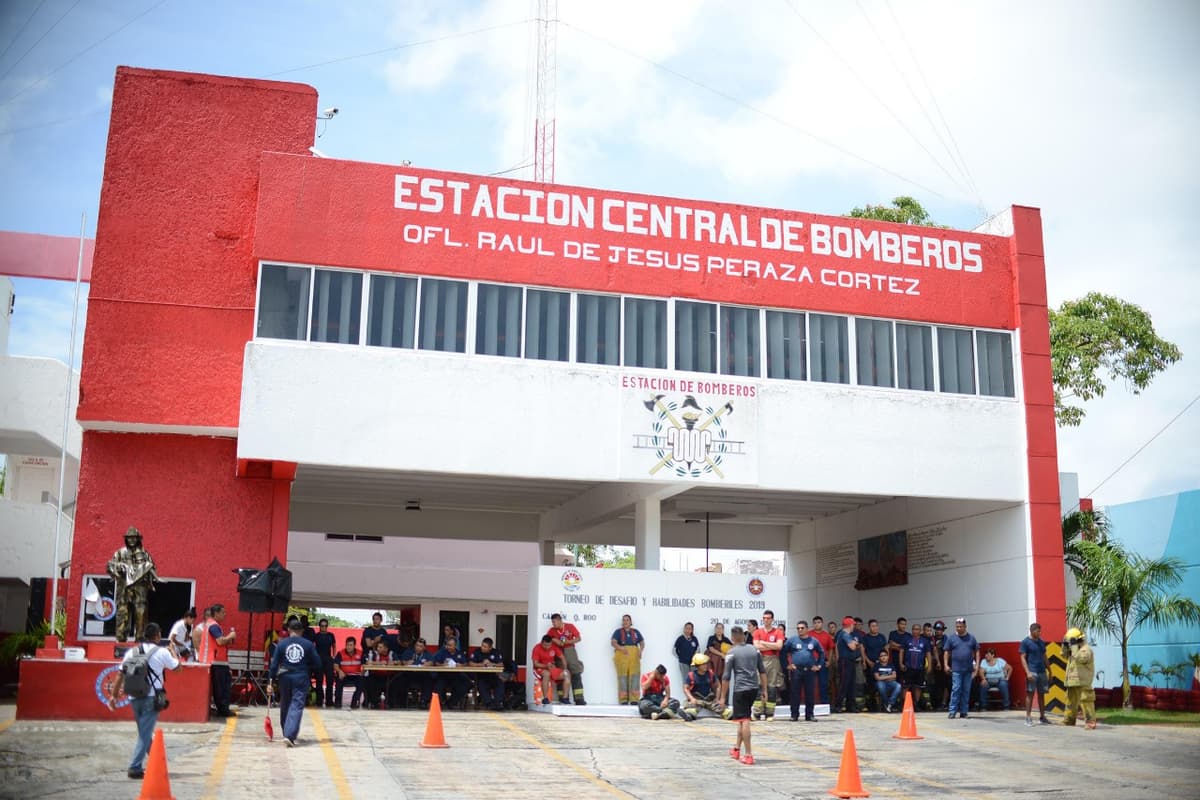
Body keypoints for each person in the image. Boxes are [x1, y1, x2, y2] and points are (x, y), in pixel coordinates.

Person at [106, 622, 179, 779]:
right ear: (157, 636)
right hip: (151, 698)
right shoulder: (162, 652)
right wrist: (172, 651)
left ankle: (155, 763)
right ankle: (135, 767)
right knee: (145, 734)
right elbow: (178, 668)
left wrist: (113, 696)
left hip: (134, 697)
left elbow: (120, 674)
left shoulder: (131, 652)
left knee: (144, 731)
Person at [267, 618, 322, 746]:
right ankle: (289, 734)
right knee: (296, 704)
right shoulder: (308, 644)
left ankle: (286, 731)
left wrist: (270, 682)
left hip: (284, 676)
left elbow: (274, 665)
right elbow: (318, 664)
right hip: (301, 676)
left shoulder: (281, 644)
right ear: (302, 631)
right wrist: (307, 668)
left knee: (285, 703)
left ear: (289, 630)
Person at [719, 625, 767, 766]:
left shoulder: (731, 653)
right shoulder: (754, 649)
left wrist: (722, 697)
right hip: (753, 688)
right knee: (742, 718)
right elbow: (762, 671)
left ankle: (748, 754)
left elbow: (726, 676)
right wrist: (764, 690)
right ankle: (736, 749)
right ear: (744, 637)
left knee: (745, 720)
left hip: (740, 690)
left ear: (733, 638)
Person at [106, 526, 159, 642]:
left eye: (134, 538)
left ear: (138, 539)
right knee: (122, 612)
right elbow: (110, 566)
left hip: (140, 589)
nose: (131, 540)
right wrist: (118, 567)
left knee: (141, 612)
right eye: (129, 538)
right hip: (124, 588)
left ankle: (140, 638)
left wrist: (149, 574)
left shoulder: (145, 554)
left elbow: (152, 567)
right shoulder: (120, 553)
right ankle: (120, 638)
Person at [196, 604, 237, 717]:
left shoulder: (210, 624)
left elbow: (218, 642)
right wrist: (231, 635)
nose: (225, 614)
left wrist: (228, 640)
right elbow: (220, 641)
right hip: (216, 661)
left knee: (219, 687)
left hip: (212, 660)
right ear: (216, 613)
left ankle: (221, 708)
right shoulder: (214, 626)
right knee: (222, 687)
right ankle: (223, 710)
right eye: (223, 612)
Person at [784, 621, 823, 721]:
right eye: (798, 628)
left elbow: (821, 653)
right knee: (795, 693)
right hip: (796, 670)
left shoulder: (813, 641)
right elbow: (783, 652)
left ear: (806, 629)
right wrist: (787, 665)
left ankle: (809, 715)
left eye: (802, 628)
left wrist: (818, 665)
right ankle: (794, 715)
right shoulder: (792, 640)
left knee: (810, 693)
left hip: (809, 671)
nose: (800, 630)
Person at [547, 613, 587, 705]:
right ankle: (563, 698)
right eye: (552, 622)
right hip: (558, 652)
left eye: (554, 622)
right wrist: (554, 640)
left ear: (560, 620)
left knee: (576, 672)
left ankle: (579, 698)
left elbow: (578, 638)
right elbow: (547, 639)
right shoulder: (551, 630)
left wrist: (569, 641)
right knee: (561, 674)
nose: (553, 624)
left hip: (570, 650)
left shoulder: (570, 626)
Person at [751, 610, 785, 720]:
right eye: (764, 618)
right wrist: (772, 645)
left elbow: (779, 646)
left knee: (771, 687)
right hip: (760, 659)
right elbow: (756, 646)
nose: (766, 620)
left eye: (768, 618)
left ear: (772, 619)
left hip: (773, 660)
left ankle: (769, 713)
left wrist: (764, 643)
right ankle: (757, 712)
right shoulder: (758, 632)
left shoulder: (778, 632)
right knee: (759, 686)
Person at [943, 617, 979, 719]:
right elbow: (946, 652)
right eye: (957, 626)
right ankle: (952, 711)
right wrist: (946, 665)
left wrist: (976, 664)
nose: (958, 628)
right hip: (956, 670)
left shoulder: (971, 638)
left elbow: (977, 651)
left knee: (966, 690)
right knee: (956, 689)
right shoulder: (951, 638)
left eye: (961, 626)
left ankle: (964, 711)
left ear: (965, 626)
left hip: (968, 670)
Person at [1063, 628, 1097, 729]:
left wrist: (1073, 647)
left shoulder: (1085, 649)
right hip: (1072, 681)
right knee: (1070, 702)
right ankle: (1069, 720)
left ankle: (1090, 722)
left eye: (1071, 642)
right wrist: (1064, 646)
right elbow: (1064, 655)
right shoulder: (1074, 649)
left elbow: (1081, 658)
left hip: (1083, 681)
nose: (1070, 644)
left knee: (1086, 701)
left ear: (1077, 640)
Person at [1019, 622, 1051, 726]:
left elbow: (1044, 656)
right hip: (1032, 671)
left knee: (1042, 694)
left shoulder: (1041, 642)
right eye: (1038, 631)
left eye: (1040, 631)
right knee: (1030, 694)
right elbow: (1022, 658)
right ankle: (1028, 717)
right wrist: (1027, 672)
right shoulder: (1025, 642)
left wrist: (1050, 671)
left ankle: (1042, 717)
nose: (1040, 633)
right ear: (1032, 631)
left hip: (1042, 671)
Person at [682, 653, 729, 720]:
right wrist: (692, 698)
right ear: (697, 666)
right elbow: (685, 688)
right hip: (697, 699)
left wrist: (717, 698)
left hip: (709, 699)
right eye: (703, 664)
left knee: (721, 708)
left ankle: (728, 714)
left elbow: (718, 685)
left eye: (706, 664)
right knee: (692, 708)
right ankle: (689, 715)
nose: (706, 666)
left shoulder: (710, 674)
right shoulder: (691, 675)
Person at [611, 614, 645, 705]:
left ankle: (634, 699)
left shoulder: (636, 632)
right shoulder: (618, 632)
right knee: (622, 677)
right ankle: (623, 700)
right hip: (622, 655)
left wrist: (640, 651)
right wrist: (621, 648)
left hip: (634, 656)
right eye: (624, 620)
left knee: (635, 677)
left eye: (627, 620)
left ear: (630, 622)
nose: (625, 622)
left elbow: (642, 642)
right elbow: (613, 642)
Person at [433, 636, 471, 709]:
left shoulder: (459, 653)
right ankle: (440, 703)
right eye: (447, 645)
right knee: (438, 686)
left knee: (464, 686)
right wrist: (442, 665)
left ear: (455, 645)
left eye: (450, 645)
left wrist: (461, 665)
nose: (448, 647)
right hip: (444, 676)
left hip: (456, 676)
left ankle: (451, 702)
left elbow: (466, 663)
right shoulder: (442, 652)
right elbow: (436, 663)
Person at [532, 634, 571, 705]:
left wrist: (565, 668)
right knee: (547, 674)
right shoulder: (537, 648)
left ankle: (565, 698)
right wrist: (546, 666)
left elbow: (562, 658)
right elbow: (535, 664)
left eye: (549, 645)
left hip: (551, 668)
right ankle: (545, 698)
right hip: (539, 668)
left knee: (566, 673)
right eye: (545, 645)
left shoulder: (554, 646)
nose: (547, 647)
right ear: (542, 642)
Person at [470, 637, 507, 710]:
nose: (482, 648)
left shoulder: (496, 652)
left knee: (500, 684)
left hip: (493, 676)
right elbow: (470, 663)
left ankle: (498, 703)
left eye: (485, 647)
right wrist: (481, 664)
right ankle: (489, 704)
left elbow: (501, 664)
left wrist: (492, 664)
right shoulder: (477, 652)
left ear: (490, 648)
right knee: (481, 685)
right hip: (481, 676)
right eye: (482, 645)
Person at [900, 621, 930, 710]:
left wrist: (930, 666)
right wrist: (901, 663)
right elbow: (901, 651)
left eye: (917, 629)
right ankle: (904, 704)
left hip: (920, 668)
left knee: (918, 686)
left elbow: (928, 653)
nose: (915, 631)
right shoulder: (907, 639)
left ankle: (916, 704)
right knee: (906, 686)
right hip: (908, 667)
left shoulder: (924, 641)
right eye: (913, 629)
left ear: (920, 631)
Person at [835, 616, 861, 713]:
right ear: (850, 625)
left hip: (850, 661)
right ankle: (838, 704)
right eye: (853, 624)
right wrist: (855, 643)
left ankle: (851, 705)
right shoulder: (845, 634)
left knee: (851, 684)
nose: (854, 626)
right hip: (845, 661)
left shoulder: (847, 635)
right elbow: (853, 647)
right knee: (844, 683)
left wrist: (855, 643)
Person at [861, 619, 887, 712]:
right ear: (869, 627)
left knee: (882, 684)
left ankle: (883, 705)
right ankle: (871, 706)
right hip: (870, 664)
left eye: (876, 626)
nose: (875, 628)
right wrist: (867, 661)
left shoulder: (882, 637)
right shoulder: (865, 637)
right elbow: (863, 650)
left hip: (881, 664)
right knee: (870, 685)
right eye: (872, 626)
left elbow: (885, 650)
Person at [400, 637, 435, 708]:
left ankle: (423, 701)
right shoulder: (409, 652)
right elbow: (402, 661)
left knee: (429, 680)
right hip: (410, 674)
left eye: (421, 646)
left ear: (424, 647)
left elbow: (431, 662)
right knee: (401, 679)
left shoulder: (427, 654)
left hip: (423, 675)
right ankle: (403, 702)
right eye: (417, 646)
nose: (418, 648)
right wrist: (406, 662)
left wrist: (428, 663)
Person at [333, 636, 364, 709]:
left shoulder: (360, 653)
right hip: (344, 675)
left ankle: (354, 702)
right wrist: (339, 671)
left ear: (354, 646)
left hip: (356, 675)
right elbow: (335, 665)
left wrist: (363, 672)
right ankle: (338, 702)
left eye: (351, 645)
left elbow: (365, 665)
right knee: (338, 682)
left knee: (362, 683)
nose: (349, 647)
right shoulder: (340, 653)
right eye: (347, 645)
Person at [810, 616, 834, 705]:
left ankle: (824, 704)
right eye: (815, 622)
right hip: (811, 662)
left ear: (822, 623)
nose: (817, 624)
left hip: (822, 662)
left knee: (823, 683)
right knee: (810, 684)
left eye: (819, 622)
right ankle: (810, 703)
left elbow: (831, 648)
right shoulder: (809, 634)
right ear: (813, 624)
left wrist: (830, 661)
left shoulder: (826, 635)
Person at [313, 618, 337, 708]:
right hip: (318, 660)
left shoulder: (331, 635)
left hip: (328, 659)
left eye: (325, 626)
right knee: (319, 681)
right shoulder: (317, 636)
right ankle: (319, 700)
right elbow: (312, 646)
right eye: (322, 626)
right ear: (319, 626)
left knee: (330, 681)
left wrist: (334, 656)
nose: (324, 627)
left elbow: (334, 646)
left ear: (327, 626)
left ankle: (329, 701)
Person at [365, 639, 394, 709]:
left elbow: (398, 662)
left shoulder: (391, 653)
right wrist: (379, 663)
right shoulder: (374, 653)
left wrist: (393, 662)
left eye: (380, 647)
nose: (378, 649)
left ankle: (390, 703)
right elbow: (368, 662)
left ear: (386, 648)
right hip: (376, 676)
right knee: (369, 680)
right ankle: (374, 702)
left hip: (388, 677)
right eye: (378, 647)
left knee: (396, 682)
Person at [928, 620, 950, 710]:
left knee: (945, 685)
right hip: (932, 667)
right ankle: (934, 703)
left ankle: (944, 703)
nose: (938, 631)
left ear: (943, 630)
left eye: (940, 629)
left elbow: (947, 652)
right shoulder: (931, 639)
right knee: (934, 685)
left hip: (944, 665)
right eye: (936, 629)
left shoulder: (946, 639)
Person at [705, 622, 733, 690]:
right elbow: (711, 648)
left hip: (722, 663)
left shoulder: (725, 639)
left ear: (723, 630)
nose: (719, 630)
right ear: (715, 629)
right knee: (713, 678)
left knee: (723, 678)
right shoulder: (711, 638)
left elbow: (732, 647)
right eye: (717, 628)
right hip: (713, 662)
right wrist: (721, 654)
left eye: (720, 628)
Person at [673, 622, 700, 688]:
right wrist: (680, 657)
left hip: (693, 663)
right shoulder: (680, 639)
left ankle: (694, 695)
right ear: (684, 629)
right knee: (686, 679)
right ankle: (687, 696)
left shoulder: (694, 639)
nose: (688, 630)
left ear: (692, 630)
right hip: (683, 663)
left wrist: (695, 657)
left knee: (694, 679)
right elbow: (674, 650)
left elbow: (698, 649)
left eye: (690, 628)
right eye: (686, 628)